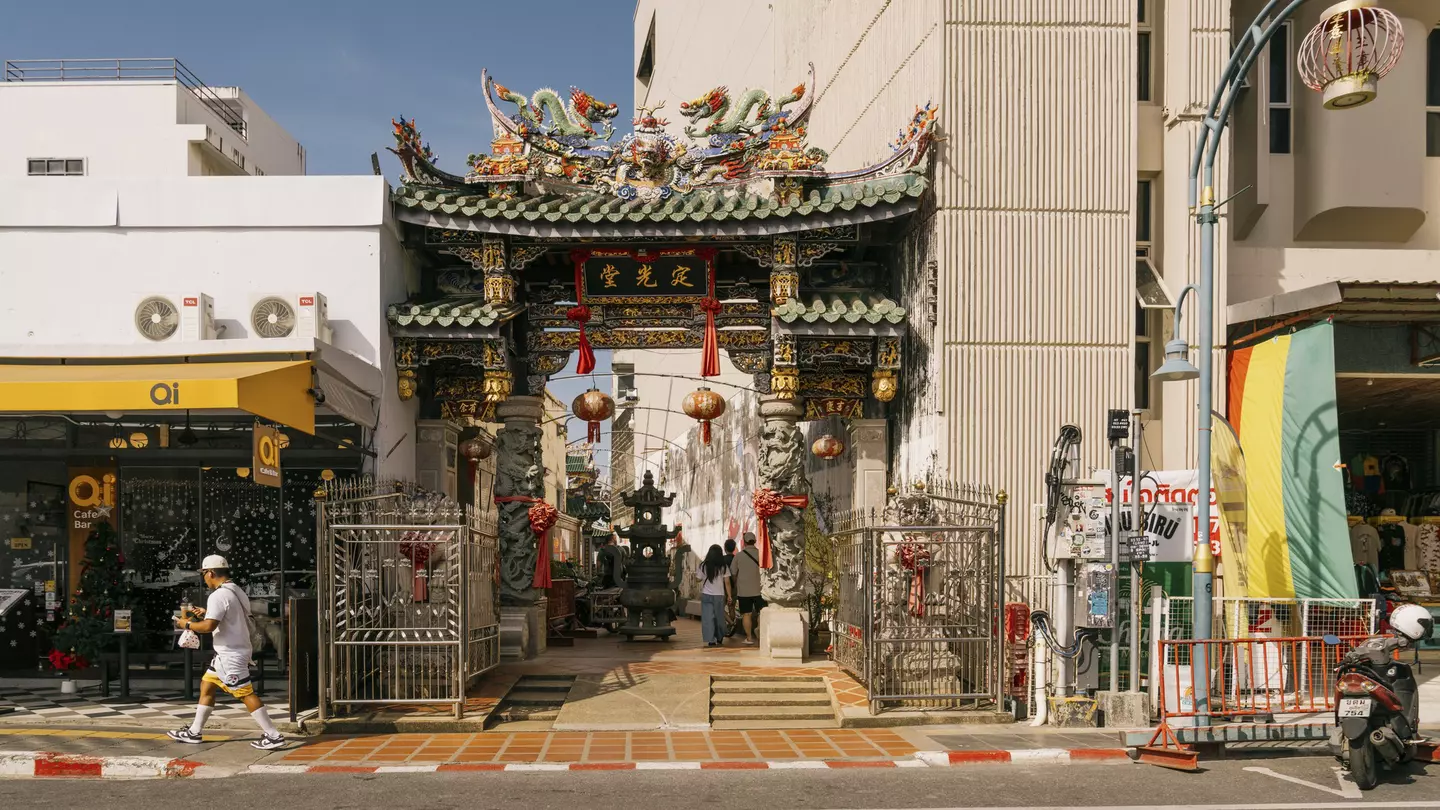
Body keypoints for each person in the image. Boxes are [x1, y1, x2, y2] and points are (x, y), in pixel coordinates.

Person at [167, 555, 286, 750]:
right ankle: (194, 732)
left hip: (231, 654)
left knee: (245, 693)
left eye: (204, 574)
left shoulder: (218, 595)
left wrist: (186, 623)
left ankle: (273, 735)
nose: (204, 578)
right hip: (229, 652)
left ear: (211, 573)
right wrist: (207, 612)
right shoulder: (235, 590)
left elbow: (208, 627)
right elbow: (229, 617)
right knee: (207, 685)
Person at [695, 545, 732, 647]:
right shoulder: (724, 566)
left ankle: (711, 639)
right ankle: (720, 637)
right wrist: (729, 596)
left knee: (708, 618)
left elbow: (698, 579)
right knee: (719, 617)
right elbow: (727, 582)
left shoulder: (703, 565)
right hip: (719, 595)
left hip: (706, 595)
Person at [732, 532, 764, 646]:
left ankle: (749, 638)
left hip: (744, 590)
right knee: (762, 613)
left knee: (746, 614)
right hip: (760, 589)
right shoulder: (761, 554)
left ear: (744, 542)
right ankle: (761, 634)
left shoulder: (738, 556)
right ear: (755, 541)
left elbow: (733, 573)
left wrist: (736, 584)